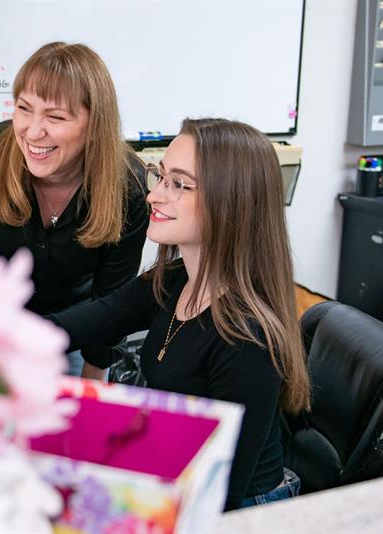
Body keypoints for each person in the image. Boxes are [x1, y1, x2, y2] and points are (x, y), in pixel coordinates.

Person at [50, 118, 312, 510]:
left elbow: (219, 499)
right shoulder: (175, 279)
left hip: (240, 508)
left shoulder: (247, 339)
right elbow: (86, 321)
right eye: (160, 176)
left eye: (178, 184)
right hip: (183, 472)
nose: (154, 195)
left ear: (230, 202)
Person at [0, 42, 149, 378]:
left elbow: (111, 301)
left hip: (73, 332)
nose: (32, 131)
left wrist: (92, 381)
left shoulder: (128, 188)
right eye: (24, 108)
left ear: (94, 124)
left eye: (55, 117)